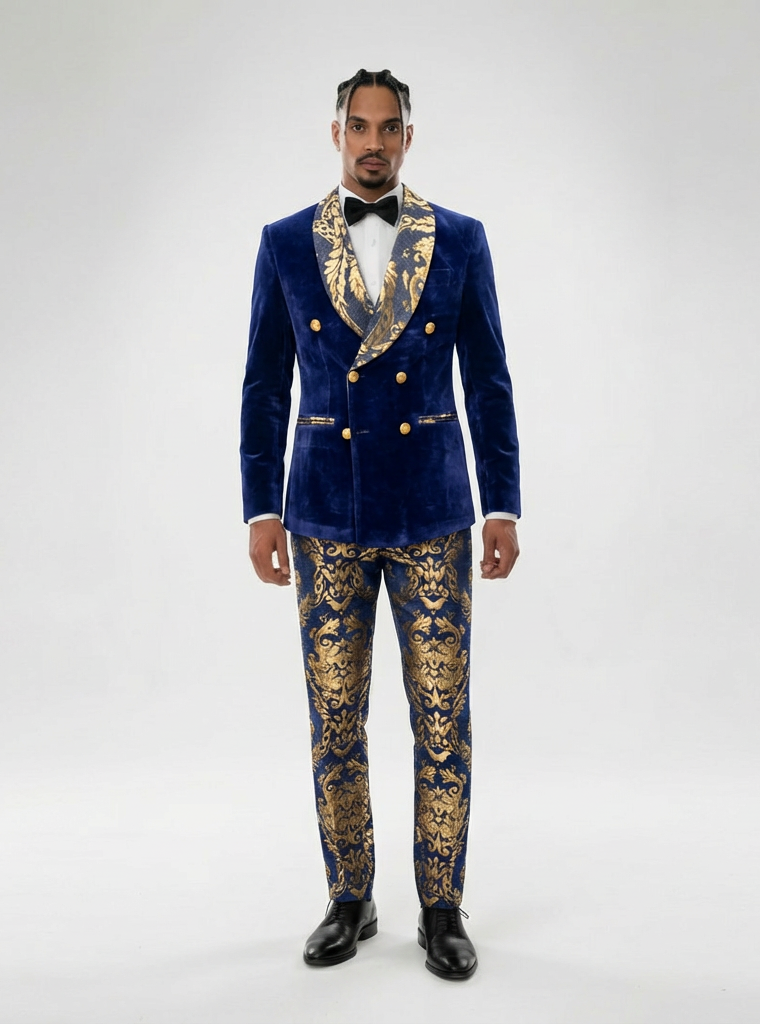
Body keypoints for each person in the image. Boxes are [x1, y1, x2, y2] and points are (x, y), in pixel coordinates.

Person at [239, 69, 521, 980]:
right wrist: (261, 508)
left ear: (408, 137)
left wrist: (503, 503)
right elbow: (263, 386)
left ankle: (441, 907)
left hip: (433, 509)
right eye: (358, 127)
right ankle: (349, 897)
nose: (373, 142)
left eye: (388, 128)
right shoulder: (286, 242)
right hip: (324, 513)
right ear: (336, 134)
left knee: (443, 717)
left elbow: (488, 380)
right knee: (335, 717)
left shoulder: (461, 239)